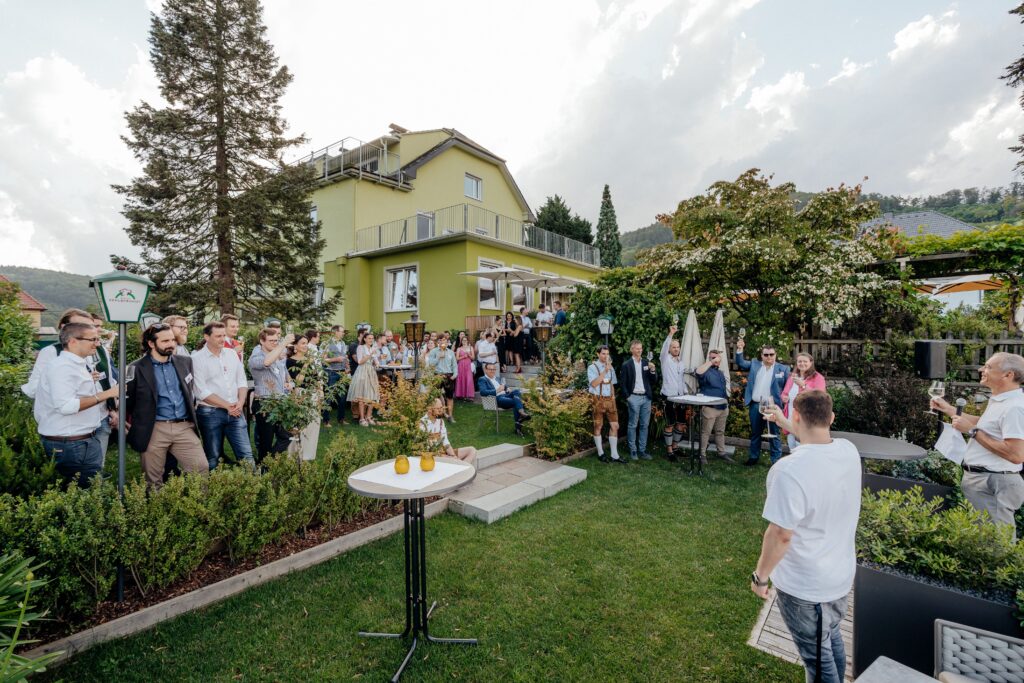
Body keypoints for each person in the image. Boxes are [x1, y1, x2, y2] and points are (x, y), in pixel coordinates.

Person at [753, 390, 861, 683]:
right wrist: (785, 421)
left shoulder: (788, 471)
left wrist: (760, 577)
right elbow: (812, 436)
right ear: (832, 418)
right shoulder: (849, 451)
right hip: (839, 576)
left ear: (796, 416)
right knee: (829, 638)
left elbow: (780, 535)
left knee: (817, 660)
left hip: (807, 587)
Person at [931, 352, 1024, 539]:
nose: (982, 369)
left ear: (1008, 375)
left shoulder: (1015, 407)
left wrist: (972, 431)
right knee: (982, 542)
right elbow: (986, 424)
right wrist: (949, 409)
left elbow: (1016, 454)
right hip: (984, 480)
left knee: (998, 544)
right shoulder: (1000, 400)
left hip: (994, 482)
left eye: (989, 367)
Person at [34, 322, 120, 488]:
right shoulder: (62, 367)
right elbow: (66, 406)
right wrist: (108, 394)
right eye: (93, 339)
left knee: (89, 491)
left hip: (82, 439)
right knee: (83, 493)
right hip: (71, 444)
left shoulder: (77, 365)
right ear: (73, 341)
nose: (97, 343)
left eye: (98, 339)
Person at [125, 323, 208, 488]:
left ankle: (200, 509)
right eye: (165, 341)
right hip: (154, 429)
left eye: (172, 340)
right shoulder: (136, 368)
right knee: (153, 478)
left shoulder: (185, 362)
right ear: (151, 344)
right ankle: (156, 511)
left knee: (201, 468)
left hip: (184, 426)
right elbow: (129, 401)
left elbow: (189, 390)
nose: (171, 344)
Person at [191, 321, 254, 470]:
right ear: (206, 337)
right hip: (210, 413)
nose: (222, 339)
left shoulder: (232, 354)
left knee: (246, 454)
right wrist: (228, 406)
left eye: (224, 335)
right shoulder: (196, 358)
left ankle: (255, 489)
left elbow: (241, 380)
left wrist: (240, 403)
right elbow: (201, 391)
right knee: (212, 456)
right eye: (218, 336)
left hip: (236, 411)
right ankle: (211, 491)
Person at [735, 340, 790, 466]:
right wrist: (740, 349)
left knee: (774, 434)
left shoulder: (783, 369)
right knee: (755, 432)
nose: (769, 357)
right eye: (766, 355)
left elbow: (788, 386)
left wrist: (786, 398)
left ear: (775, 355)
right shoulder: (755, 364)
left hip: (773, 407)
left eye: (771, 354)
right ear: (762, 355)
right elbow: (741, 362)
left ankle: (776, 461)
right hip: (756, 405)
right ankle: (753, 457)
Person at [249, 327, 295, 462]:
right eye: (271, 341)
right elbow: (266, 362)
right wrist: (283, 344)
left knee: (286, 436)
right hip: (265, 404)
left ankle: (267, 463)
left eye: (276, 340)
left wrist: (290, 385)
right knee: (266, 441)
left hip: (280, 402)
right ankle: (264, 469)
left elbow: (286, 376)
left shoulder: (278, 357)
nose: (275, 343)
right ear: (262, 341)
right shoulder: (256, 357)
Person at [619, 340, 657, 461]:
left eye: (641, 348)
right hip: (633, 397)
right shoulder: (627, 365)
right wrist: (628, 397)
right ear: (632, 349)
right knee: (632, 425)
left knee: (644, 425)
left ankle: (642, 450)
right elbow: (623, 384)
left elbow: (653, 381)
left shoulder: (646, 363)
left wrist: (653, 370)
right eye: (637, 348)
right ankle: (633, 450)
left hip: (646, 398)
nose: (640, 350)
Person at [286, 334, 322, 460]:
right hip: (300, 394)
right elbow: (298, 381)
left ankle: (308, 454)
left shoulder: (310, 359)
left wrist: (320, 393)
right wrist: (306, 364)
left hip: (313, 394)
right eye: (302, 343)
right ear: (295, 345)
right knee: (300, 425)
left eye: (306, 343)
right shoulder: (290, 361)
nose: (305, 345)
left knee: (313, 424)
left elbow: (317, 378)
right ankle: (295, 453)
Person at [781, 353, 827, 451]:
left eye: (805, 361)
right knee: (792, 446)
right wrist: (784, 397)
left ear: (811, 363)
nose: (802, 363)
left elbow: (821, 397)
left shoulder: (818, 377)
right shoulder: (792, 377)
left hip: (806, 418)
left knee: (803, 448)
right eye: (799, 361)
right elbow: (784, 393)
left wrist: (804, 386)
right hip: (790, 417)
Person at [695, 349, 732, 464]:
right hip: (710, 408)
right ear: (709, 359)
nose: (716, 360)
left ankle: (721, 452)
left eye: (717, 358)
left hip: (723, 407)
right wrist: (711, 362)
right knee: (706, 432)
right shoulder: (705, 371)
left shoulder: (720, 372)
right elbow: (698, 372)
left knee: (720, 431)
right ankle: (702, 454)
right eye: (713, 358)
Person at [587, 346, 623, 463]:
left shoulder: (611, 368)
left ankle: (614, 455)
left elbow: (612, 383)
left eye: (607, 354)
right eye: (603, 354)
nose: (605, 356)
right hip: (597, 400)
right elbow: (594, 384)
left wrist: (613, 396)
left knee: (615, 426)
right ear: (598, 354)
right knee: (598, 426)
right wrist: (605, 371)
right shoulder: (592, 367)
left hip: (610, 400)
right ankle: (600, 453)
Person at [659, 325, 688, 460]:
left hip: (681, 397)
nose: (676, 349)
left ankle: (675, 447)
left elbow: (682, 379)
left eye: (677, 347)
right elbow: (664, 347)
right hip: (668, 397)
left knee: (681, 424)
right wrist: (670, 335)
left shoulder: (681, 362)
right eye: (673, 347)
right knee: (669, 425)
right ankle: (669, 451)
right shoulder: (665, 359)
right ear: (669, 349)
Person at [477, 363, 531, 436]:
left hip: (505, 395)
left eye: (494, 369)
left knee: (516, 391)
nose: (492, 371)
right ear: (485, 370)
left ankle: (521, 414)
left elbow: (503, 386)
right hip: (496, 399)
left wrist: (507, 388)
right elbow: (483, 392)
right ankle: (519, 422)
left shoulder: (496, 378)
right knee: (518, 402)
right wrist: (497, 391)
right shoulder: (482, 379)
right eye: (490, 369)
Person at [420, 398, 477, 464]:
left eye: (441, 408)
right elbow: (426, 450)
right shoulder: (422, 424)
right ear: (429, 410)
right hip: (432, 456)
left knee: (472, 450)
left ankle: (461, 467)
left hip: (443, 452)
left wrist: (453, 455)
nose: (441, 411)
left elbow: (445, 442)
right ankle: (461, 468)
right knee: (454, 461)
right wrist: (446, 457)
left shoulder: (440, 421)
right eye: (438, 409)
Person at [348, 330, 381, 426]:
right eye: (369, 338)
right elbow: (360, 361)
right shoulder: (360, 348)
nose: (371, 340)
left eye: (372, 338)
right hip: (362, 371)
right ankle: (362, 418)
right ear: (365, 339)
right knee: (361, 396)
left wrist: (377, 363)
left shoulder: (372, 348)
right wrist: (370, 354)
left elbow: (374, 360)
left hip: (371, 371)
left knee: (372, 395)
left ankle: (368, 416)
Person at [322, 325, 349, 426]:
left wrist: (347, 366)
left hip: (342, 372)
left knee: (342, 397)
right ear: (335, 332)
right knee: (328, 397)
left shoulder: (343, 343)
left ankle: (341, 419)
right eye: (342, 331)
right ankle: (326, 421)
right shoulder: (326, 343)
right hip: (331, 372)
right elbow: (323, 360)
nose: (343, 333)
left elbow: (344, 357)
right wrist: (335, 359)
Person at [428, 338, 459, 421]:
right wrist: (438, 357)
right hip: (437, 375)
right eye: (441, 341)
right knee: (435, 396)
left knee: (450, 397)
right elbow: (430, 364)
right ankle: (437, 414)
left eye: (445, 341)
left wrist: (455, 375)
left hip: (449, 376)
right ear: (439, 342)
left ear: (447, 342)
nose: (443, 342)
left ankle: (450, 416)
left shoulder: (451, 352)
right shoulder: (434, 352)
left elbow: (454, 365)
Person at [455, 335, 476, 401]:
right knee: (461, 378)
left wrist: (468, 354)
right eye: (463, 340)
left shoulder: (471, 348)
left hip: (468, 365)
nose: (464, 341)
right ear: (461, 341)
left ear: (467, 341)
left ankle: (469, 395)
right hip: (461, 365)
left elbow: (473, 358)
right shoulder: (459, 348)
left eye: (465, 340)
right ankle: (460, 395)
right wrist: (463, 356)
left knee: (469, 379)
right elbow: (457, 359)